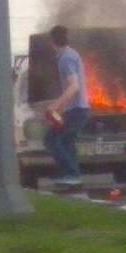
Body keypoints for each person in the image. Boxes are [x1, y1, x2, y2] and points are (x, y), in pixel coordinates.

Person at [44, 25, 90, 187]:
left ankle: (71, 174)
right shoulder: (72, 54)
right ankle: (72, 177)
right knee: (66, 142)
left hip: (77, 110)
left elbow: (74, 86)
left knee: (51, 140)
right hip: (79, 109)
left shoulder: (65, 58)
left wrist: (55, 106)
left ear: (52, 42)